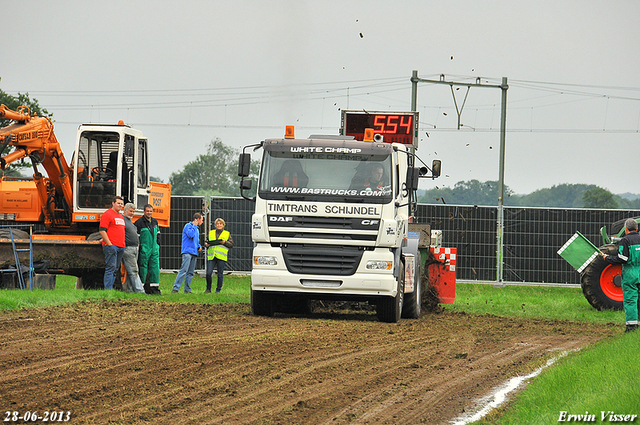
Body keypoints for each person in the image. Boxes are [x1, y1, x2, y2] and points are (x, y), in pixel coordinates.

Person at [601, 218, 640, 332]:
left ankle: (632, 327)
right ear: (637, 228)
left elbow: (622, 258)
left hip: (630, 273)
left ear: (626, 229)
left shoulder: (625, 240)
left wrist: (607, 257)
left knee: (630, 300)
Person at [172, 212, 204, 294]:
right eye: (202, 220)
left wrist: (199, 246)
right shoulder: (188, 226)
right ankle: (176, 288)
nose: (202, 222)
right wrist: (194, 225)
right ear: (198, 219)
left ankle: (187, 289)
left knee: (190, 272)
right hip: (187, 252)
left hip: (194, 252)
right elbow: (190, 235)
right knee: (183, 270)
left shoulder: (196, 229)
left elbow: (196, 240)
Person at [99, 196, 126, 290]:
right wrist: (109, 244)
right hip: (112, 246)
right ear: (113, 203)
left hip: (121, 246)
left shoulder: (120, 216)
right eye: (118, 203)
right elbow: (102, 230)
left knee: (115, 269)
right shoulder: (107, 214)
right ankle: (107, 289)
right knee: (110, 268)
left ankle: (110, 288)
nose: (120, 205)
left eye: (122, 204)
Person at [135, 203, 161, 294]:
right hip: (145, 250)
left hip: (154, 249)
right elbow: (137, 237)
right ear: (144, 211)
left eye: (151, 211)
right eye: (147, 211)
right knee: (143, 269)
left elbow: (158, 234)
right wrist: (141, 247)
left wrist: (158, 245)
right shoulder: (139, 222)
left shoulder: (154, 221)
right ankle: (142, 288)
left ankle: (154, 289)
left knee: (155, 268)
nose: (149, 213)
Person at [205, 218, 234, 293]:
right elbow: (206, 241)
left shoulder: (227, 233)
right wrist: (206, 244)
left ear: (223, 225)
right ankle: (208, 289)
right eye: (217, 224)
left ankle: (218, 290)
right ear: (215, 225)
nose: (219, 225)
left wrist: (224, 242)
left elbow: (231, 244)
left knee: (220, 274)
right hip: (212, 255)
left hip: (221, 256)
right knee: (208, 273)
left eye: (220, 224)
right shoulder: (211, 232)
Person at [121, 203, 145, 293]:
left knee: (130, 271)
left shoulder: (129, 221)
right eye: (130, 211)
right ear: (125, 210)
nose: (132, 213)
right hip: (128, 248)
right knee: (133, 270)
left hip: (134, 248)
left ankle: (129, 290)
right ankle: (140, 290)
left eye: (133, 211)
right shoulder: (122, 220)